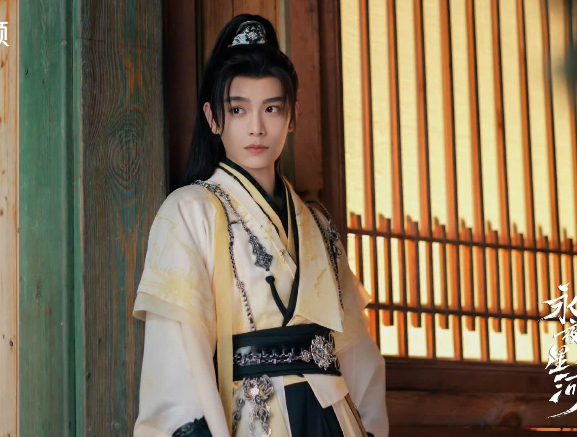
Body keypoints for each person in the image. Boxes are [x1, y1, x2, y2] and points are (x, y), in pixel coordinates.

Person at [132, 14, 389, 437]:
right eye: (238, 110)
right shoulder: (190, 212)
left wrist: (370, 427)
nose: (256, 127)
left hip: (334, 417)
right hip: (254, 418)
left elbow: (355, 350)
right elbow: (177, 355)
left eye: (272, 108)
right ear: (213, 118)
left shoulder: (317, 224)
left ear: (293, 116)